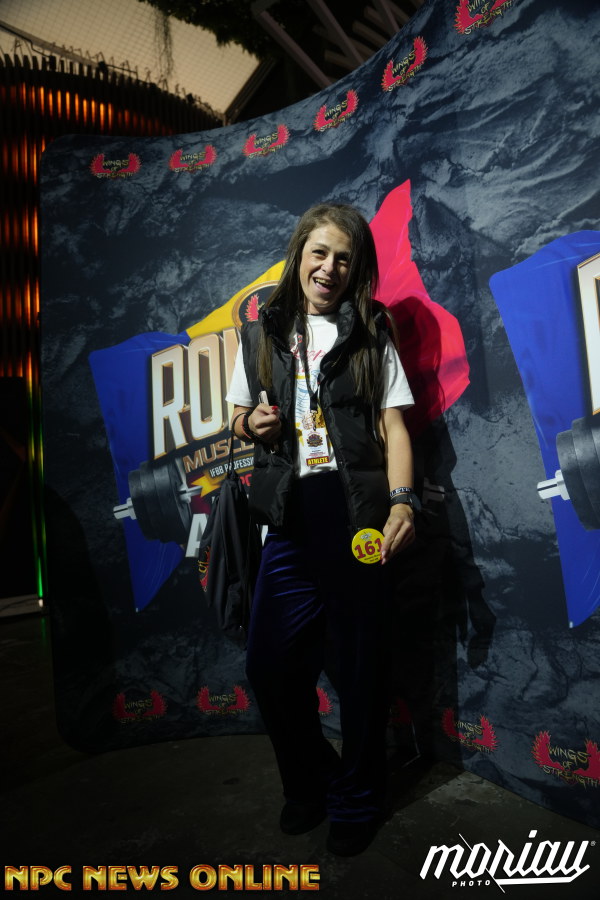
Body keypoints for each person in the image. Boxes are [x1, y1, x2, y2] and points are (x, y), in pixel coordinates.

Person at [225, 202, 417, 856]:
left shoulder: (371, 331)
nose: (329, 268)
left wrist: (402, 503)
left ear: (355, 269)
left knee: (362, 674)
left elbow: (394, 425)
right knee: (269, 666)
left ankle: (358, 800)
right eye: (320, 253)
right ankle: (310, 785)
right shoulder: (262, 334)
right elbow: (235, 418)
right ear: (298, 255)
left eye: (343, 258)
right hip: (289, 520)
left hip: (358, 519)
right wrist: (250, 424)